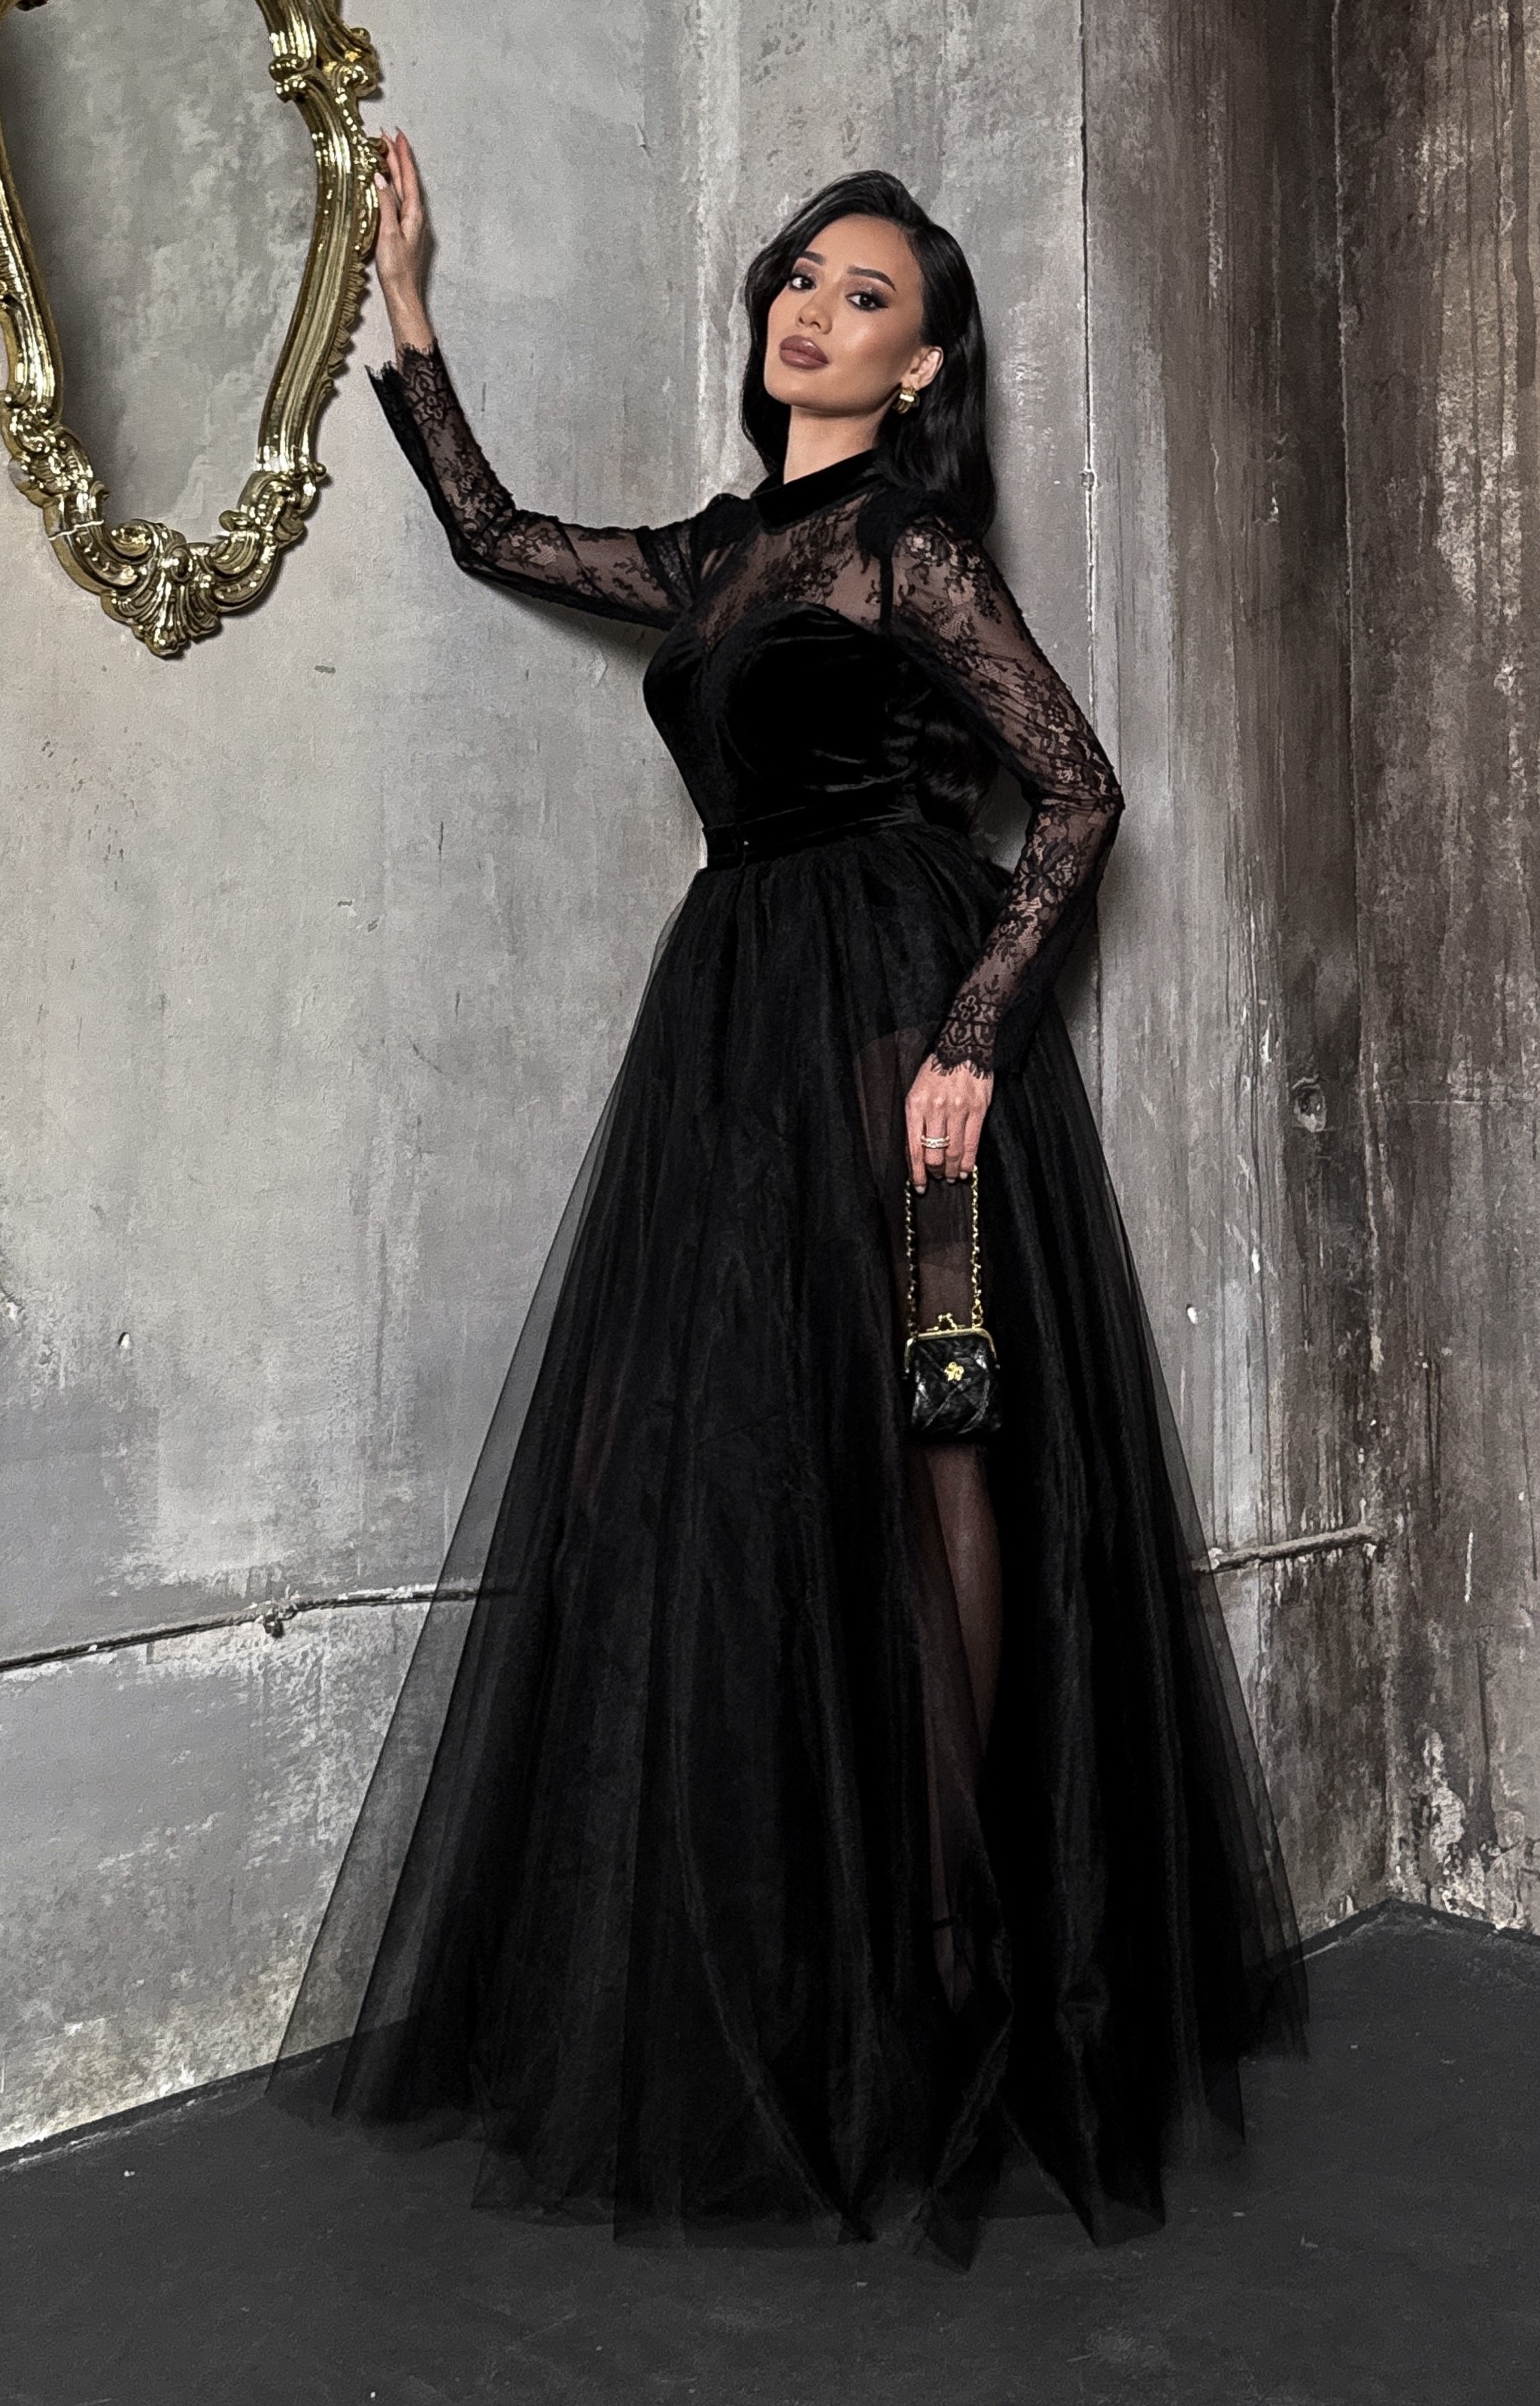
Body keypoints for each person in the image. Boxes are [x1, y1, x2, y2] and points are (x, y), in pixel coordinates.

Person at [272, 135, 1305, 2268]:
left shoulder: (908, 548)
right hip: (736, 1012)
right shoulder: (726, 551)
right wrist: (410, 311)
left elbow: (1079, 790)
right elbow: (495, 533)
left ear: (922, 368)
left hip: (887, 1012)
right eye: (802, 279)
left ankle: (959, 1956)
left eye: (865, 296)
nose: (813, 311)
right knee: (744, 1453)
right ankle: (813, 1943)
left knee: (939, 1458)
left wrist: (972, 1039)